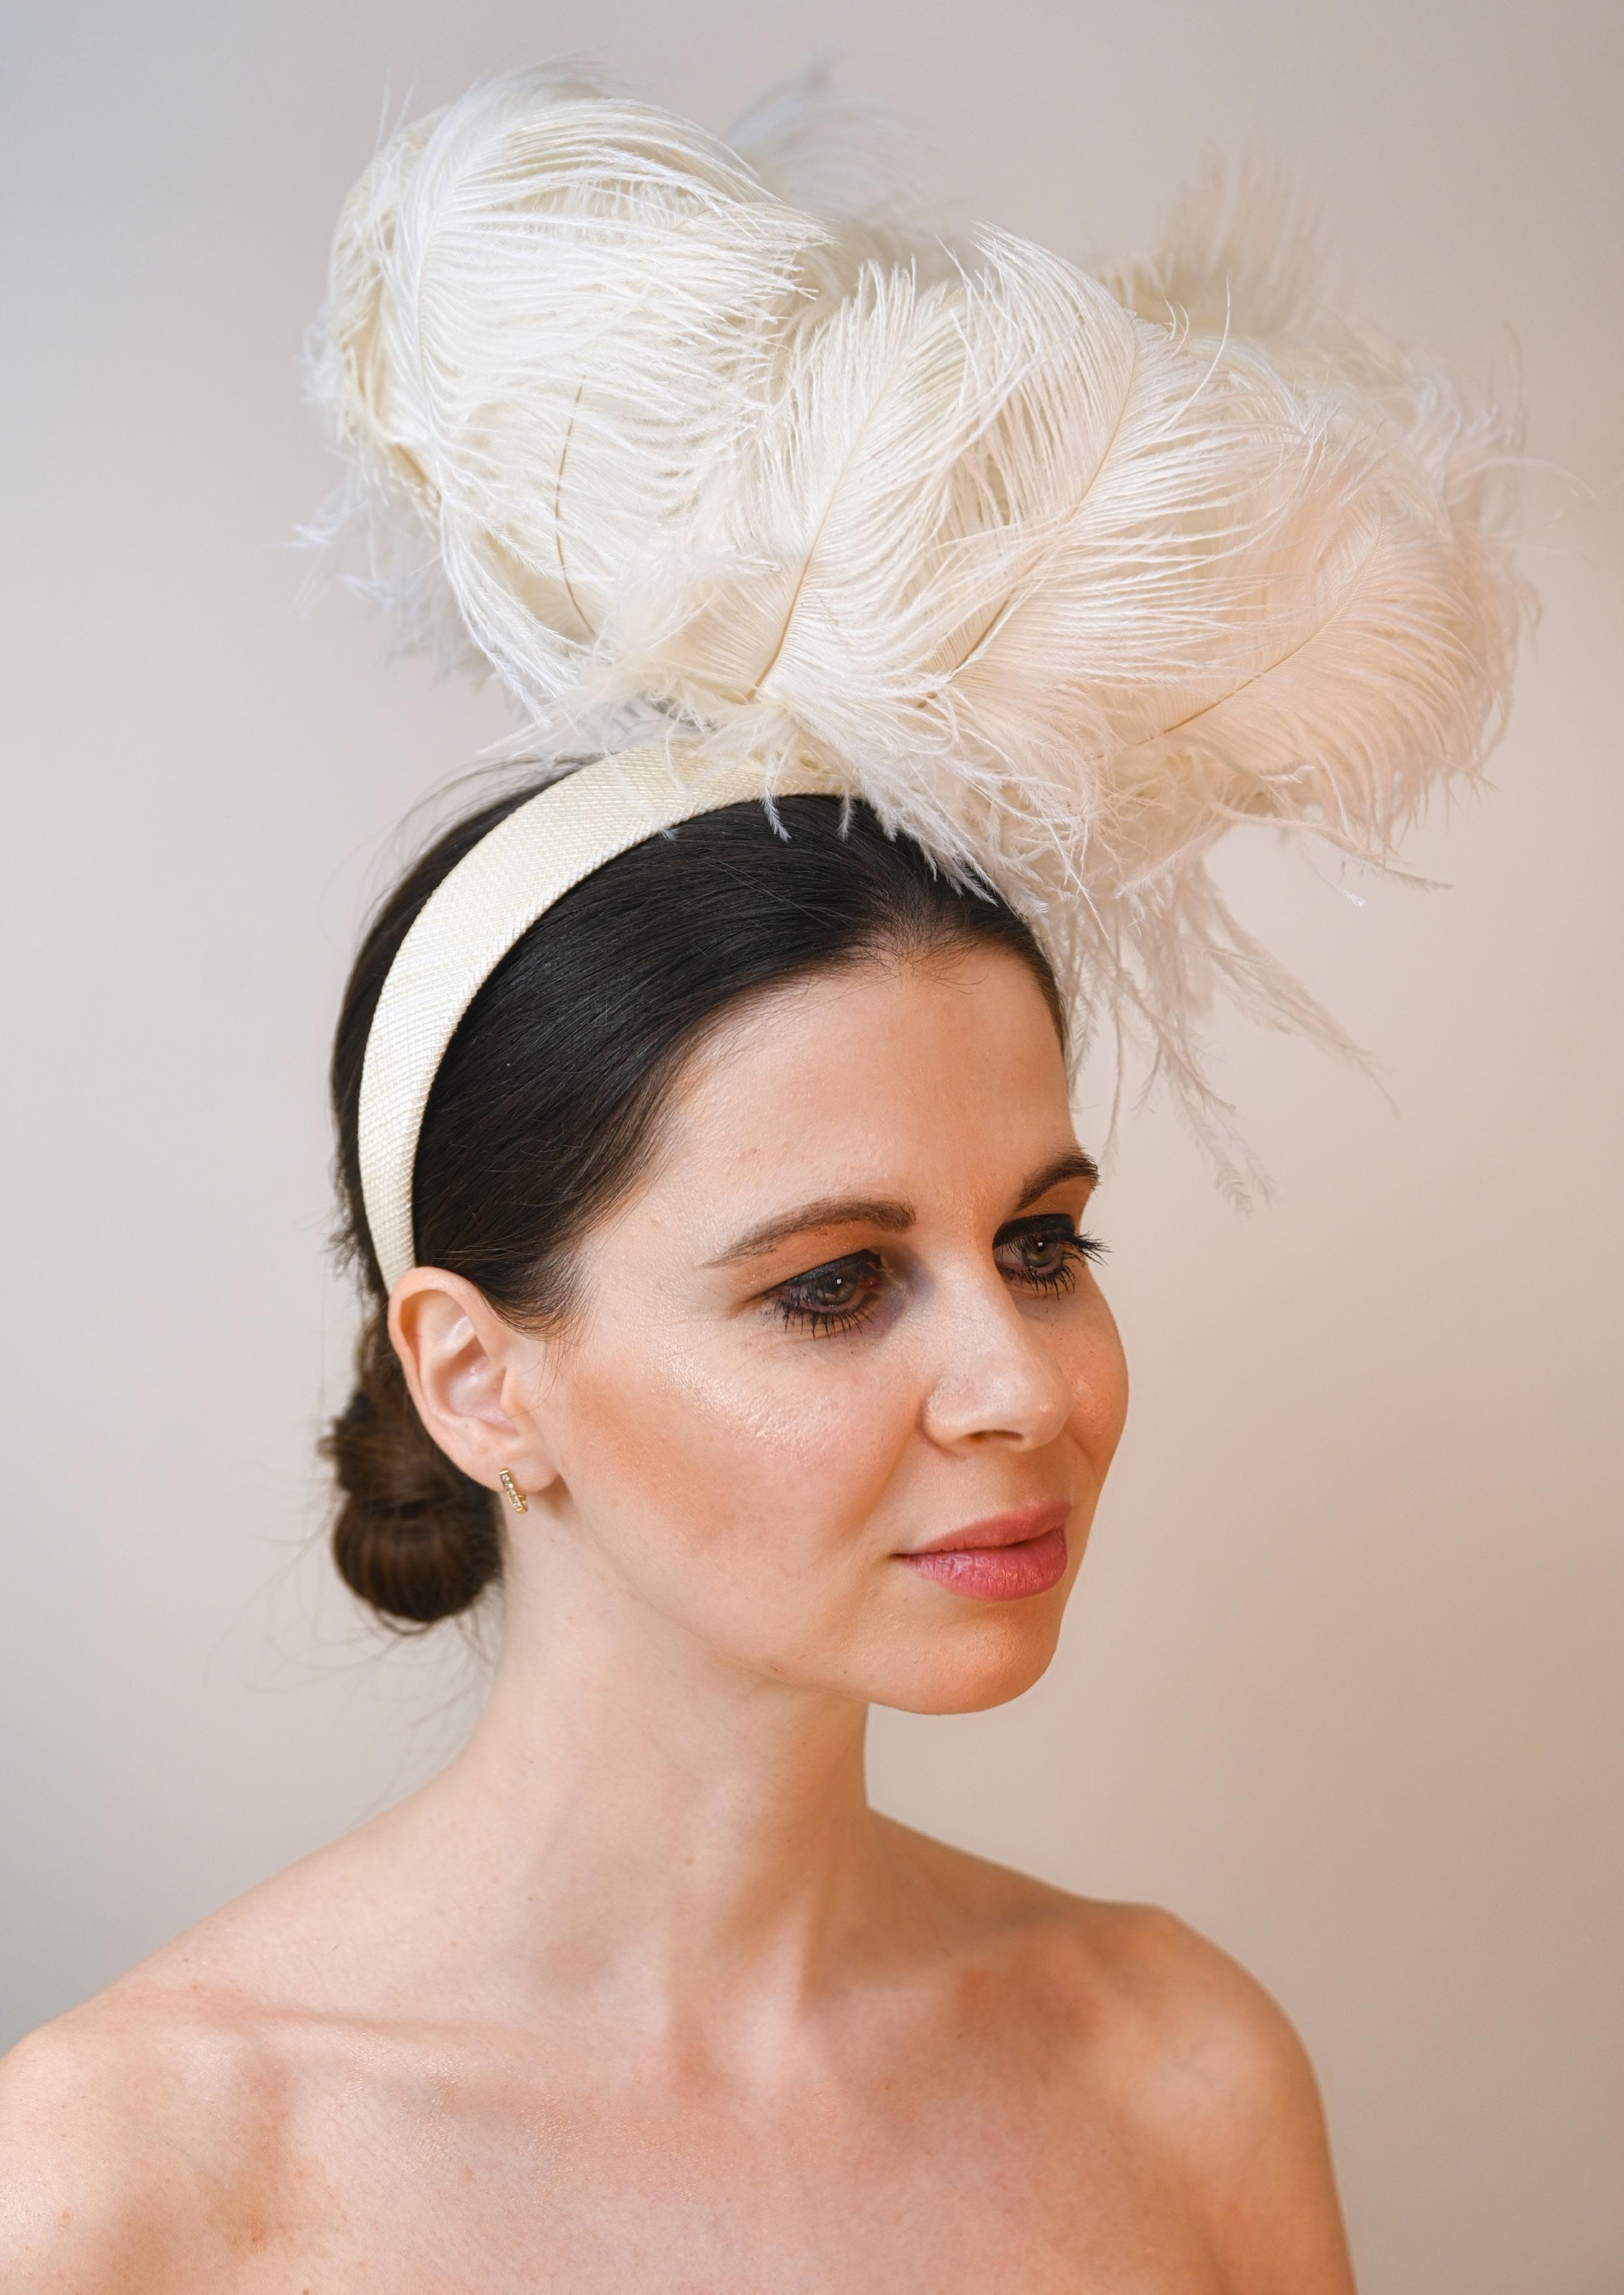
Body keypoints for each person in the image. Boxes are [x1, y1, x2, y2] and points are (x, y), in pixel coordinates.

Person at [0, 63, 1521, 2291]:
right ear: (477, 1378)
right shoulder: (128, 2186)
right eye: (830, 1283)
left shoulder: (1179, 2077)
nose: (1024, 1387)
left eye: (1039, 1242)